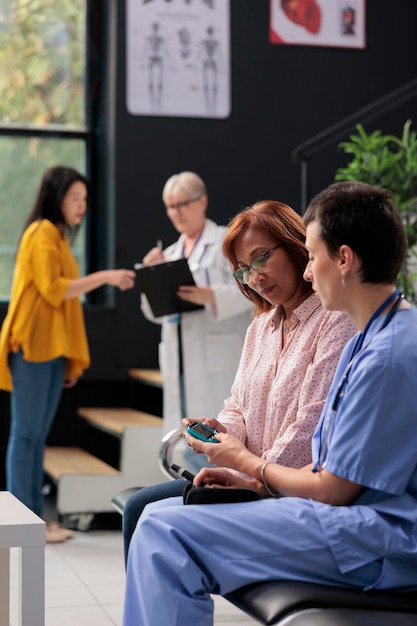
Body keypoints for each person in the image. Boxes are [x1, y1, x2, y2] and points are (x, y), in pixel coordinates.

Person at [123, 181, 417, 625]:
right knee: (153, 518)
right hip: (334, 509)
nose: (306, 273)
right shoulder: (374, 337)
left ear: (343, 259)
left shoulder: (384, 351)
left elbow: (333, 486)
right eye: (245, 268)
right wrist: (238, 455)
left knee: (164, 532)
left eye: (311, 256)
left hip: (374, 535)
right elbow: (318, 458)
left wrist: (252, 471)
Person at [122, 199, 355, 563]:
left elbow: (312, 425)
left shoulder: (334, 322)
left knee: (146, 515)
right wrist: (220, 429)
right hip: (248, 477)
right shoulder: (262, 327)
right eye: (244, 270)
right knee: (137, 507)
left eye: (262, 258)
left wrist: (254, 478)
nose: (256, 277)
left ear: (296, 245)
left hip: (285, 490)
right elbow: (238, 406)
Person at [0, 166, 136, 543]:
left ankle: (33, 520)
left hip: (50, 349)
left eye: (85, 200)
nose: (82, 206)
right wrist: (107, 277)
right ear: (56, 197)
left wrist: (69, 356)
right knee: (26, 435)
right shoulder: (42, 232)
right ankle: (22, 521)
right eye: (75, 198)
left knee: (35, 436)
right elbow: (55, 290)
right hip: (33, 346)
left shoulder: (56, 237)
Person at [140, 171, 253, 438]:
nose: (177, 212)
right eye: (171, 206)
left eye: (183, 204)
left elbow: (253, 288)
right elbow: (151, 312)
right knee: (184, 436)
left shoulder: (227, 242)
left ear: (202, 201)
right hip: (179, 355)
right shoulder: (168, 255)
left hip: (217, 354)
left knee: (218, 432)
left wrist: (211, 296)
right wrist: (151, 277)